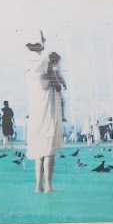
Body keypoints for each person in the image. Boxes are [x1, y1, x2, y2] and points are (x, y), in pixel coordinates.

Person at [25, 32, 66, 193]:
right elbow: (57, 85)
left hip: (35, 108)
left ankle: (38, 185)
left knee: (38, 150)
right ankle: (48, 185)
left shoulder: (27, 60)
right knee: (49, 150)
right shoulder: (44, 61)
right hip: (47, 107)